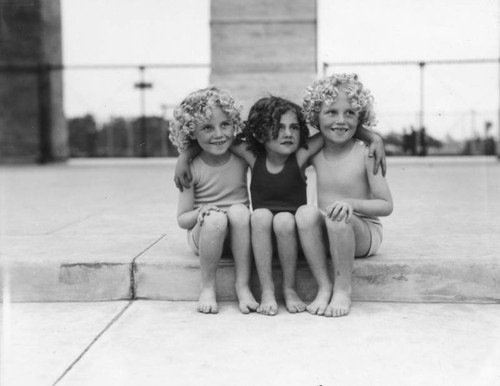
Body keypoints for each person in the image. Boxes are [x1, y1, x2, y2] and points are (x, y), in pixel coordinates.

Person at [174, 94, 386, 316]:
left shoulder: (300, 155)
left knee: (286, 219)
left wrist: (373, 137)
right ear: (259, 132)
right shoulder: (253, 156)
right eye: (278, 127)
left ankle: (289, 288)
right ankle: (267, 292)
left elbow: (333, 130)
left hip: (292, 233)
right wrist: (184, 156)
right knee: (260, 216)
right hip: (262, 233)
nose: (287, 134)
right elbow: (217, 139)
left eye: (294, 127)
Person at [296, 73, 393, 317]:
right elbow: (286, 160)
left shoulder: (366, 152)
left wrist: (351, 204)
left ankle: (342, 289)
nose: (341, 120)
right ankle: (324, 286)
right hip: (331, 230)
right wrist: (187, 156)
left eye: (350, 113)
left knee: (337, 216)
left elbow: (386, 205)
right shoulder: (315, 151)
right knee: (306, 213)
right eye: (331, 112)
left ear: (360, 118)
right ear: (316, 116)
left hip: (364, 232)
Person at [169, 87, 259, 314]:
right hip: (206, 232)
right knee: (216, 219)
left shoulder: (240, 157)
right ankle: (208, 287)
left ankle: (243, 285)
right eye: (207, 128)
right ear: (191, 133)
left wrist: (184, 153)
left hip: (238, 232)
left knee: (239, 212)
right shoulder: (191, 167)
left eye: (225, 125)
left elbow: (263, 162)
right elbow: (182, 219)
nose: (219, 134)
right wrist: (201, 212)